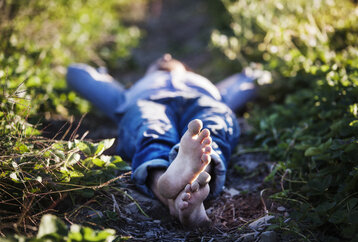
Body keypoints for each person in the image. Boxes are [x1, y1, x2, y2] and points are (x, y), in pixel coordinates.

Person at [66, 54, 256, 227]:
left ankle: (181, 188)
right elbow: (76, 73)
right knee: (151, 129)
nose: (165, 56)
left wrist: (248, 75)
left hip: (203, 101)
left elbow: (246, 81)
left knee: (210, 127)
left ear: (187, 69)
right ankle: (180, 187)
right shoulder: (128, 94)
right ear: (147, 72)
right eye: (157, 60)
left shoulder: (210, 88)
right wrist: (104, 76)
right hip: (149, 102)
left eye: (173, 58)